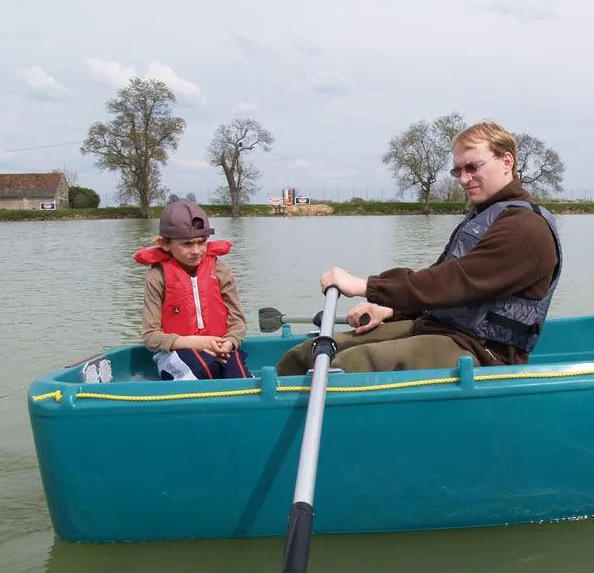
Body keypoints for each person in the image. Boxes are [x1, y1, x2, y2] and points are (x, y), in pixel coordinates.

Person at [277, 120, 563, 375]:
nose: (464, 179)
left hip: (482, 350)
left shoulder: (524, 229)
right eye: (458, 170)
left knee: (345, 366)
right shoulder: (486, 216)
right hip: (438, 328)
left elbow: (452, 283)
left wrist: (368, 286)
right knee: (307, 354)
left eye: (472, 167)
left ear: (506, 161)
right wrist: (391, 311)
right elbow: (439, 278)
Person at [134, 200, 250, 380]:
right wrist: (199, 342)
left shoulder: (221, 271)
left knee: (239, 377)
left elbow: (238, 322)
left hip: (220, 349)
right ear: (164, 243)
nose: (196, 250)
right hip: (175, 354)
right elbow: (151, 337)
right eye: (187, 244)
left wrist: (229, 343)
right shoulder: (157, 277)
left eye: (202, 242)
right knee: (203, 369)